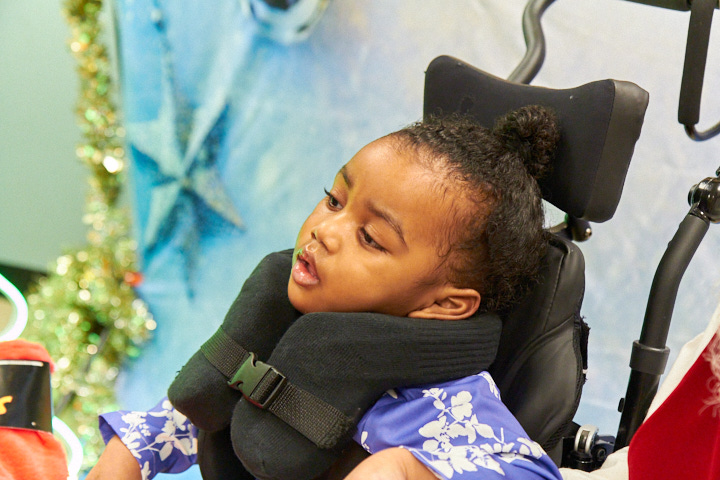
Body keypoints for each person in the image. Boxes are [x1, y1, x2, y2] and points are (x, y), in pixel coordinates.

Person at [87, 105, 564, 480]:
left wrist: (405, 469)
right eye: (334, 200)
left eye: (370, 238)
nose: (325, 230)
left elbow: (530, 472)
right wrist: (132, 449)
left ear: (444, 304)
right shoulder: (287, 332)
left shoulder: (442, 405)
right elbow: (198, 415)